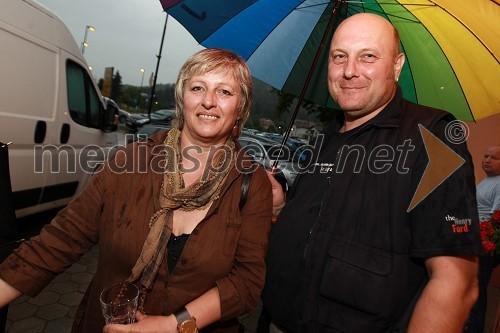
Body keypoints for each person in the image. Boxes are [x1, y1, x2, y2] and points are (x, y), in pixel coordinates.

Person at [0, 48, 272, 333]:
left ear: (240, 108)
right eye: (198, 87)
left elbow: (247, 281)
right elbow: (59, 241)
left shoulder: (251, 184)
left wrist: (172, 325)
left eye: (225, 92)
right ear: (182, 97)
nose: (208, 101)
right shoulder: (127, 163)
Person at [261, 13, 482, 333]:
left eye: (368, 56)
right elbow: (322, 221)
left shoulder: (434, 138)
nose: (349, 71)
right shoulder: (327, 134)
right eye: (339, 57)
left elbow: (457, 284)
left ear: (397, 65)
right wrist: (282, 208)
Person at [465, 145, 500, 332]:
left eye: (494, 158)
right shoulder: (488, 181)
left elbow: (496, 219)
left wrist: (485, 245)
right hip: (474, 243)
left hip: (484, 247)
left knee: (476, 294)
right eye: (486, 156)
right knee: (471, 292)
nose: (487, 160)